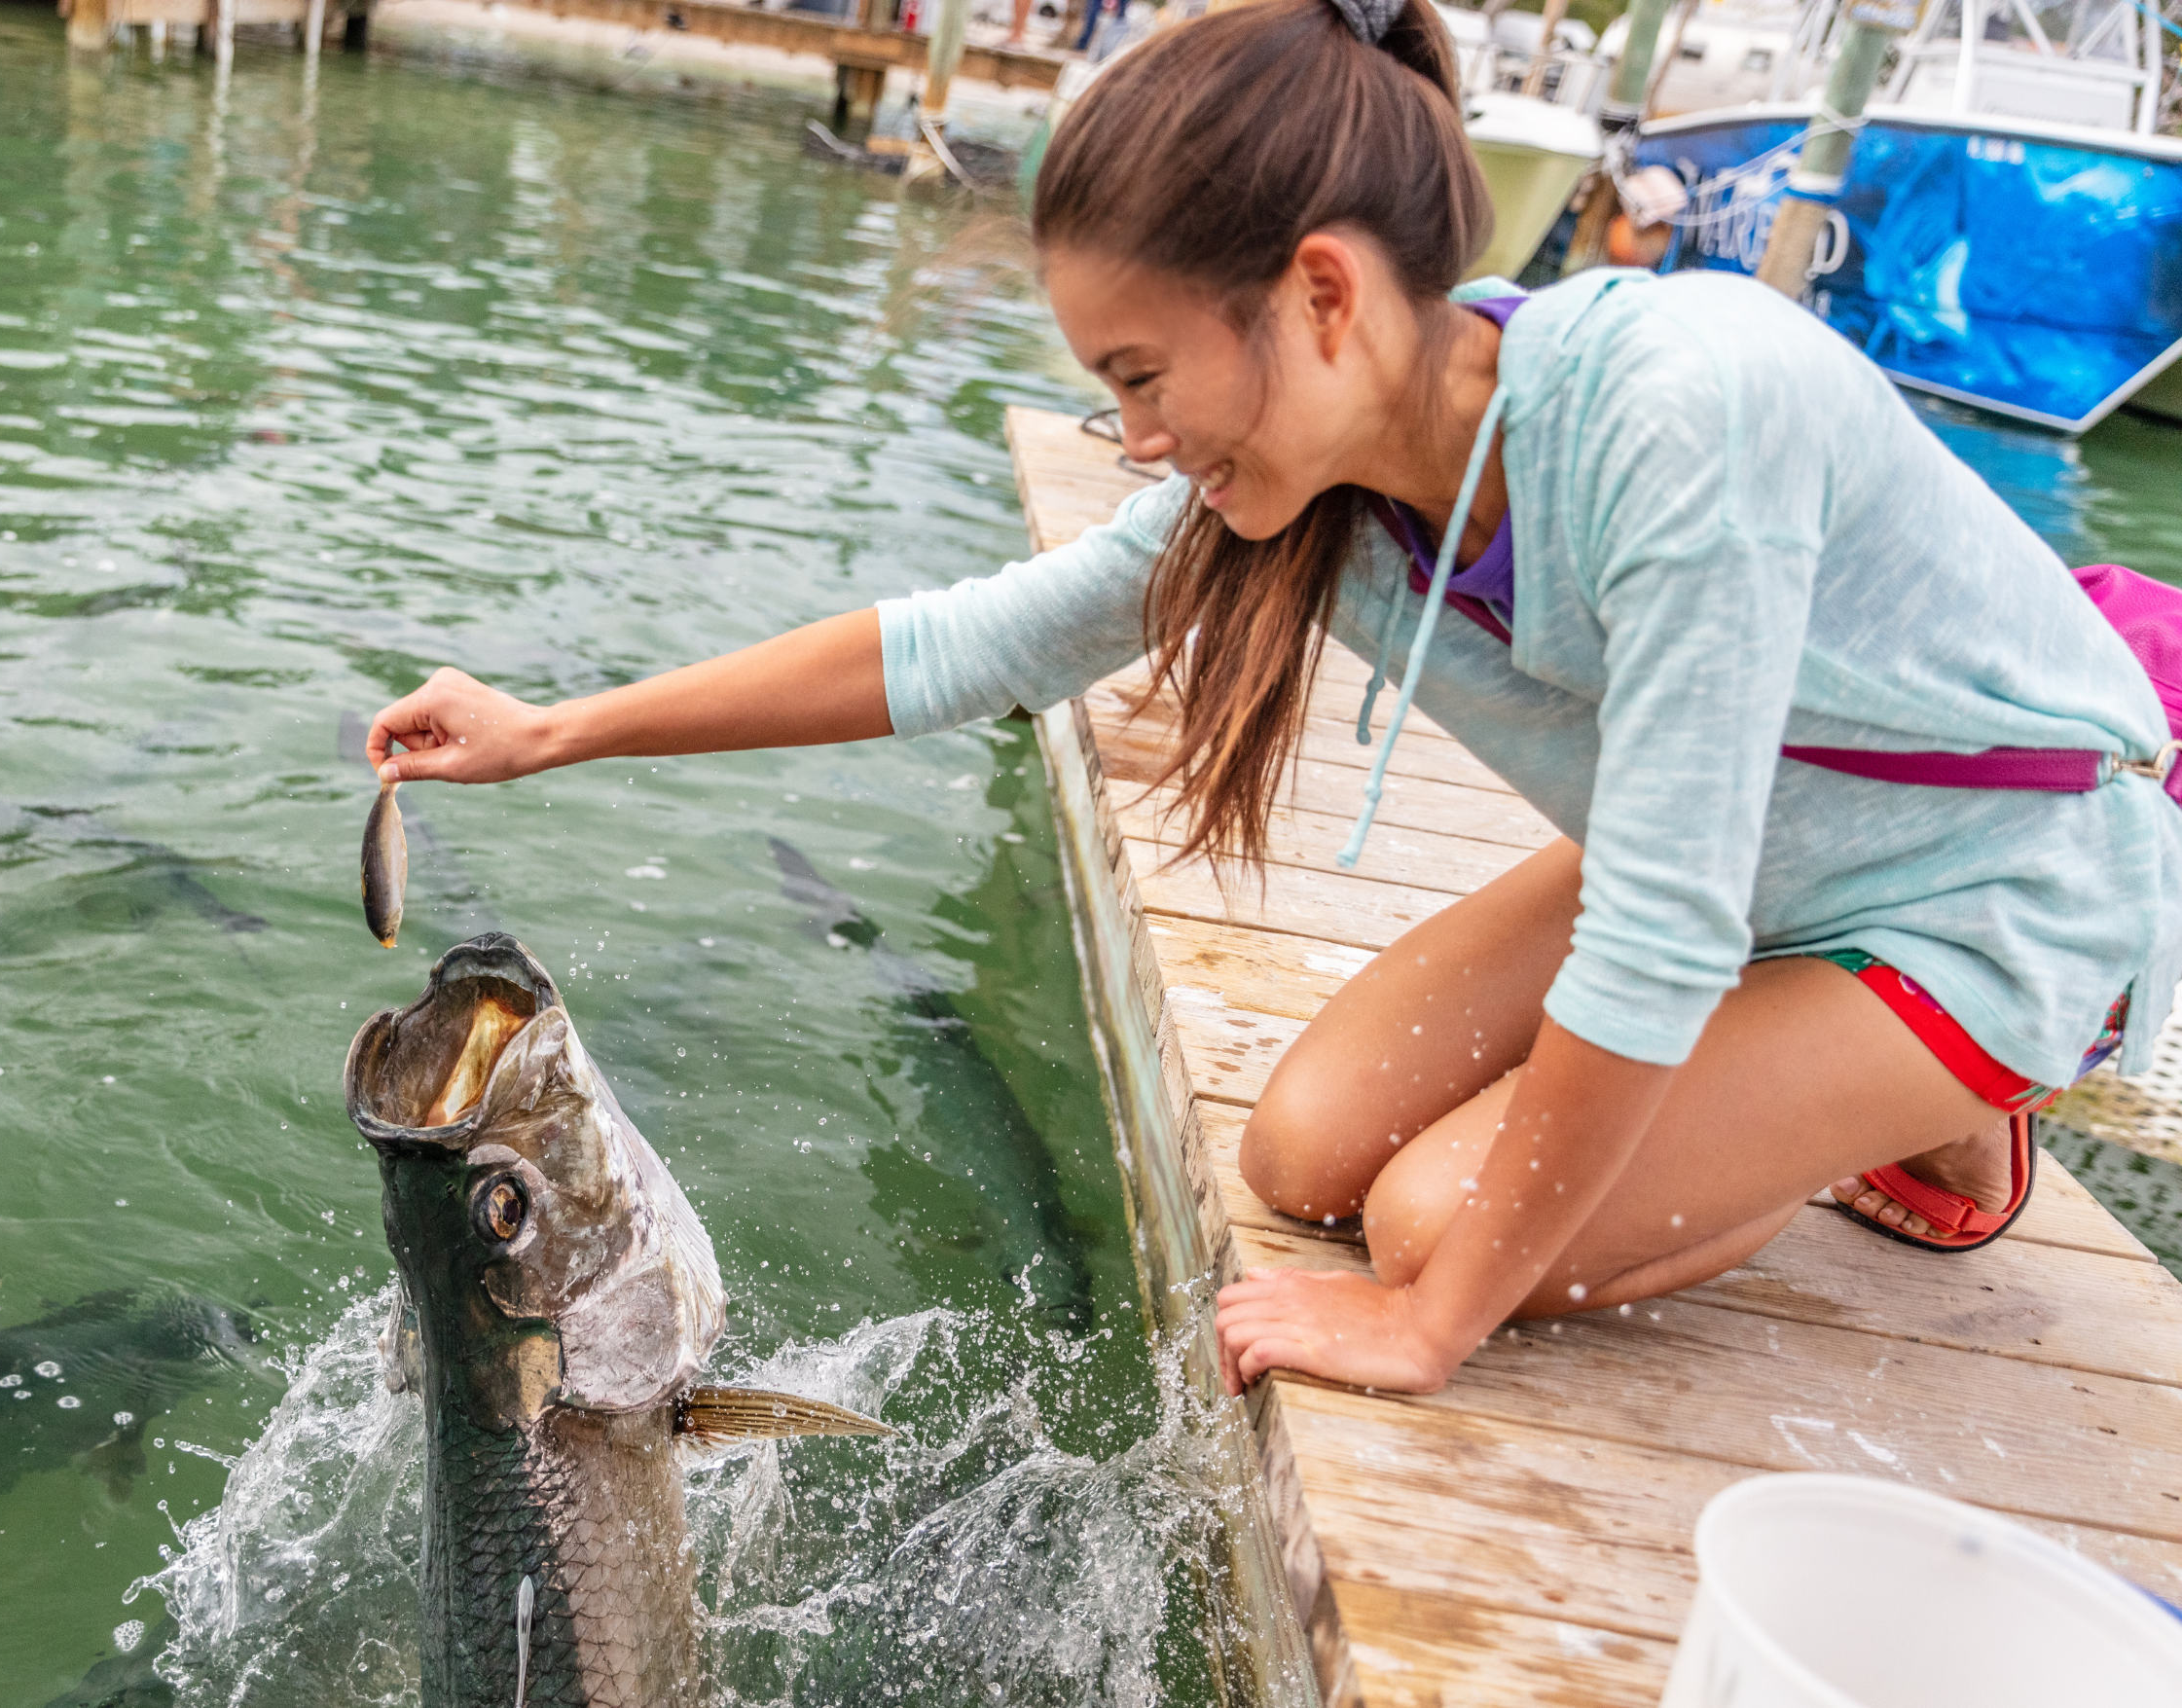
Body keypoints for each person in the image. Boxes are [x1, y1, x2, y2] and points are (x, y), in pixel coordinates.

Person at [362, 0, 2182, 1398]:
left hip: (1992, 887)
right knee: (1305, 1146)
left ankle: (1934, 1104)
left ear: (1318, 293)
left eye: (1147, 377)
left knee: (1428, 1224)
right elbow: (957, 644)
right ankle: (1810, 1076)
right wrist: (553, 729)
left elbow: (1663, 922)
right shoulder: (1328, 501)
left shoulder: (1671, 407)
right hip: (1750, 857)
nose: (1137, 440)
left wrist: (1435, 1323)